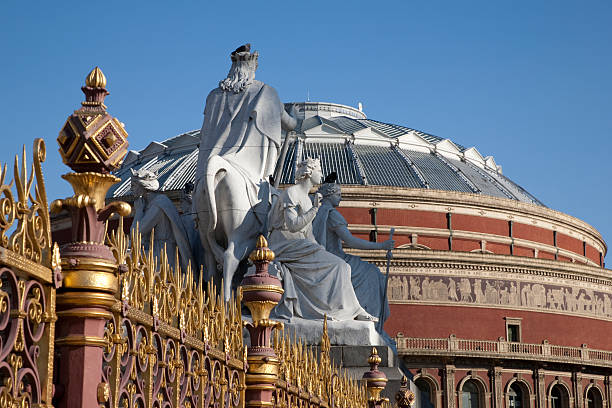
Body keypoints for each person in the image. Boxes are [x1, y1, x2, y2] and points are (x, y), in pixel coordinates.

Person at [192, 44, 297, 298]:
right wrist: (295, 121)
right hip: (247, 169)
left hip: (206, 175)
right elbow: (290, 124)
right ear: (253, 67)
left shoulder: (213, 96)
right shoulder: (265, 92)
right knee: (264, 216)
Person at [268, 158, 376, 322]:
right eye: (319, 171)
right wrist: (314, 209)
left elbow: (308, 232)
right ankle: (335, 310)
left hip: (300, 244)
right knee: (338, 266)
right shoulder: (291, 193)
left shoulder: (306, 198)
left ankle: (347, 310)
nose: (322, 175)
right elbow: (293, 226)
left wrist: (320, 250)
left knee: (342, 266)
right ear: (309, 173)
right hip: (284, 244)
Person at [312, 176, 394, 325]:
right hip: (336, 258)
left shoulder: (317, 212)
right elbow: (350, 241)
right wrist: (381, 246)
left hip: (323, 257)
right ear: (330, 195)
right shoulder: (332, 214)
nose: (341, 199)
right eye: (339, 195)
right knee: (372, 273)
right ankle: (367, 317)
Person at [131, 169, 195, 272]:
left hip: (163, 254)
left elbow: (135, 233)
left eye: (133, 185)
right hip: (154, 253)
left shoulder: (159, 203)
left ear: (143, 186)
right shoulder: (149, 204)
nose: (131, 189)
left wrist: (138, 211)